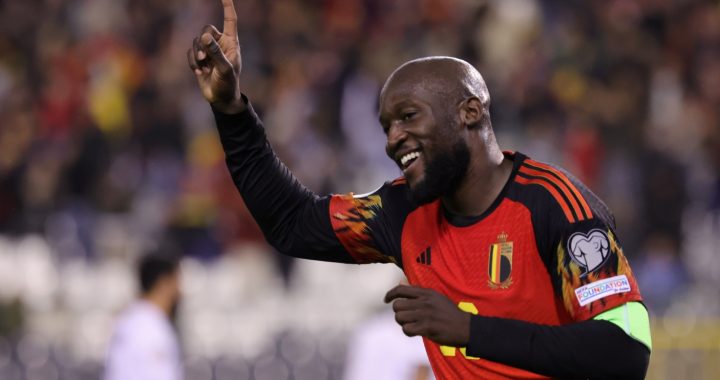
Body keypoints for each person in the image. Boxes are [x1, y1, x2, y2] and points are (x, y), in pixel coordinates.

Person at [187, 1, 652, 378]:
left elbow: (626, 351)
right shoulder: (402, 210)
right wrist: (231, 111)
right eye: (387, 126)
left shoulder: (554, 203)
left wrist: (469, 330)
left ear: (469, 112)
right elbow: (291, 224)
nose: (393, 139)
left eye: (408, 117)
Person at [104, 253, 183, 380]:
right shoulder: (150, 328)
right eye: (177, 281)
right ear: (163, 283)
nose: (180, 291)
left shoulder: (132, 319)